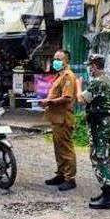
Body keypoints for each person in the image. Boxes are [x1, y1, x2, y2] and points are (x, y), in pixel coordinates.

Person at [77, 54, 110, 210]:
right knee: (106, 157)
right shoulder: (108, 81)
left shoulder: (97, 83)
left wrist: (78, 86)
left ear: (94, 66)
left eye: (90, 66)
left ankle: (109, 197)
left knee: (100, 158)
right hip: (109, 123)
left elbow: (82, 99)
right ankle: (106, 192)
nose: (90, 69)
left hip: (101, 125)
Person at [40, 50, 78, 191]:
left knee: (66, 149)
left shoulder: (68, 76)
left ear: (66, 61)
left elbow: (67, 97)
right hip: (57, 118)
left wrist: (49, 102)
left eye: (59, 59)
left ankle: (70, 178)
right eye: (55, 58)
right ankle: (61, 174)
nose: (56, 61)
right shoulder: (59, 75)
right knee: (58, 148)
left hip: (63, 118)